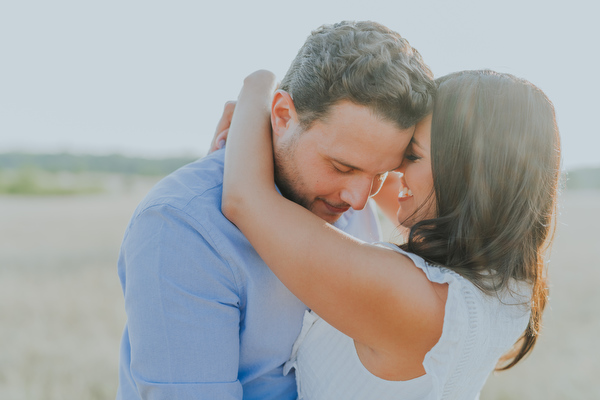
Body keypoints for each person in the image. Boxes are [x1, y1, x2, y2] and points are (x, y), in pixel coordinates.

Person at [116, 21, 435, 399]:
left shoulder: (345, 200)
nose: (359, 199)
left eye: (381, 174)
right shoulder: (182, 227)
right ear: (282, 115)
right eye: (342, 166)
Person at [221, 69, 561, 399]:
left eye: (412, 154)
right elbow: (383, 185)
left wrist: (259, 85)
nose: (396, 167)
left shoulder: (412, 300)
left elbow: (245, 199)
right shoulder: (506, 281)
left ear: (466, 175)